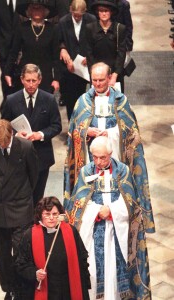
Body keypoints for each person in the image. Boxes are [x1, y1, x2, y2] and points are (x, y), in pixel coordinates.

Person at [64, 62, 155, 234]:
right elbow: (72, 133)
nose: (97, 84)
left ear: (109, 78)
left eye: (101, 80)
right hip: (90, 167)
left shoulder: (122, 102)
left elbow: (133, 135)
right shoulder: (82, 102)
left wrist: (113, 133)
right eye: (94, 80)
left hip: (116, 164)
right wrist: (85, 132)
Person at [64, 136, 152, 299]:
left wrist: (111, 211)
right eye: (94, 157)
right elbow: (78, 203)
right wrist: (97, 211)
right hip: (93, 231)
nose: (98, 162)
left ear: (111, 154)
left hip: (117, 232)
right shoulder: (85, 172)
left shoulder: (123, 171)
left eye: (102, 157)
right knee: (93, 273)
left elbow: (131, 202)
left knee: (114, 273)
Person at [0, 119, 39, 300]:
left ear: (12, 134)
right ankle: (9, 287)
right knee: (3, 252)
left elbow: (34, 175)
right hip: (1, 207)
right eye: (0, 144)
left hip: (21, 205)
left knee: (22, 249)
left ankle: (23, 287)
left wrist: (23, 194)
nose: (3, 146)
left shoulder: (26, 147)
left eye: (5, 143)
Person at [2, 64, 62, 207]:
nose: (31, 84)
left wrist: (40, 134)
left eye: (34, 80)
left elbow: (56, 126)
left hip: (42, 156)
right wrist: (16, 135)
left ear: (39, 80)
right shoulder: (11, 100)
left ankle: (35, 226)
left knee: (38, 197)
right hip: (18, 157)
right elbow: (3, 126)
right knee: (20, 196)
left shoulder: (48, 99)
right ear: (22, 80)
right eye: (28, 80)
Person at [15, 196, 90, 299]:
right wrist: (35, 273)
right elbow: (20, 264)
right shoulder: (30, 235)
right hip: (45, 290)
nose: (51, 218)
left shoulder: (71, 231)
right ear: (40, 215)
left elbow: (82, 259)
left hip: (67, 290)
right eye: (47, 214)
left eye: (55, 214)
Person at [4, 0, 60, 94]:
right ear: (29, 11)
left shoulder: (52, 29)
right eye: (34, 8)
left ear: (45, 11)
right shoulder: (22, 28)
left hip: (45, 75)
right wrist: (7, 72)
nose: (37, 11)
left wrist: (56, 79)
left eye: (40, 9)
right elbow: (14, 52)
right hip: (26, 74)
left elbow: (56, 57)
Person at [58, 0, 96, 120]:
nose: (77, 17)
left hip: (86, 65)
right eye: (75, 15)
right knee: (71, 99)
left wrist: (88, 57)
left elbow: (95, 41)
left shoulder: (92, 20)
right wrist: (63, 48)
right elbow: (58, 40)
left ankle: (86, 125)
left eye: (80, 15)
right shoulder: (63, 22)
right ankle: (72, 126)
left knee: (87, 98)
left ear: (85, 12)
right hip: (70, 67)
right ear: (70, 9)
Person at [85, 0, 126, 91]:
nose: (103, 14)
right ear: (97, 12)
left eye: (106, 11)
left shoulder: (119, 28)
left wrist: (115, 75)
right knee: (97, 103)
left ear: (111, 12)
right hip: (97, 76)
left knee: (115, 103)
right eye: (101, 11)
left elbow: (121, 53)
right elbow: (89, 52)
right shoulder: (90, 28)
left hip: (115, 74)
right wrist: (94, 74)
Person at [0, 0, 21, 106]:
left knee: (22, 77)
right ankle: (8, 107)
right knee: (6, 77)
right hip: (3, 47)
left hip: (22, 46)